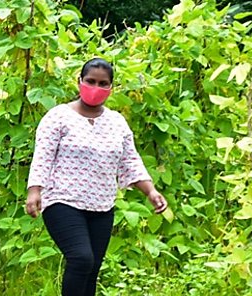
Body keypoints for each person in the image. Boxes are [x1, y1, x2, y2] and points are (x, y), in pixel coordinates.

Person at [25, 58, 169, 296]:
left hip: (102, 205)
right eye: (90, 81)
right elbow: (43, 156)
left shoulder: (116, 123)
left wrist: (151, 191)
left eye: (103, 83)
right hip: (63, 201)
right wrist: (34, 191)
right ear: (79, 81)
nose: (95, 87)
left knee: (92, 269)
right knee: (81, 258)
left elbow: (130, 161)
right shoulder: (58, 117)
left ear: (111, 88)